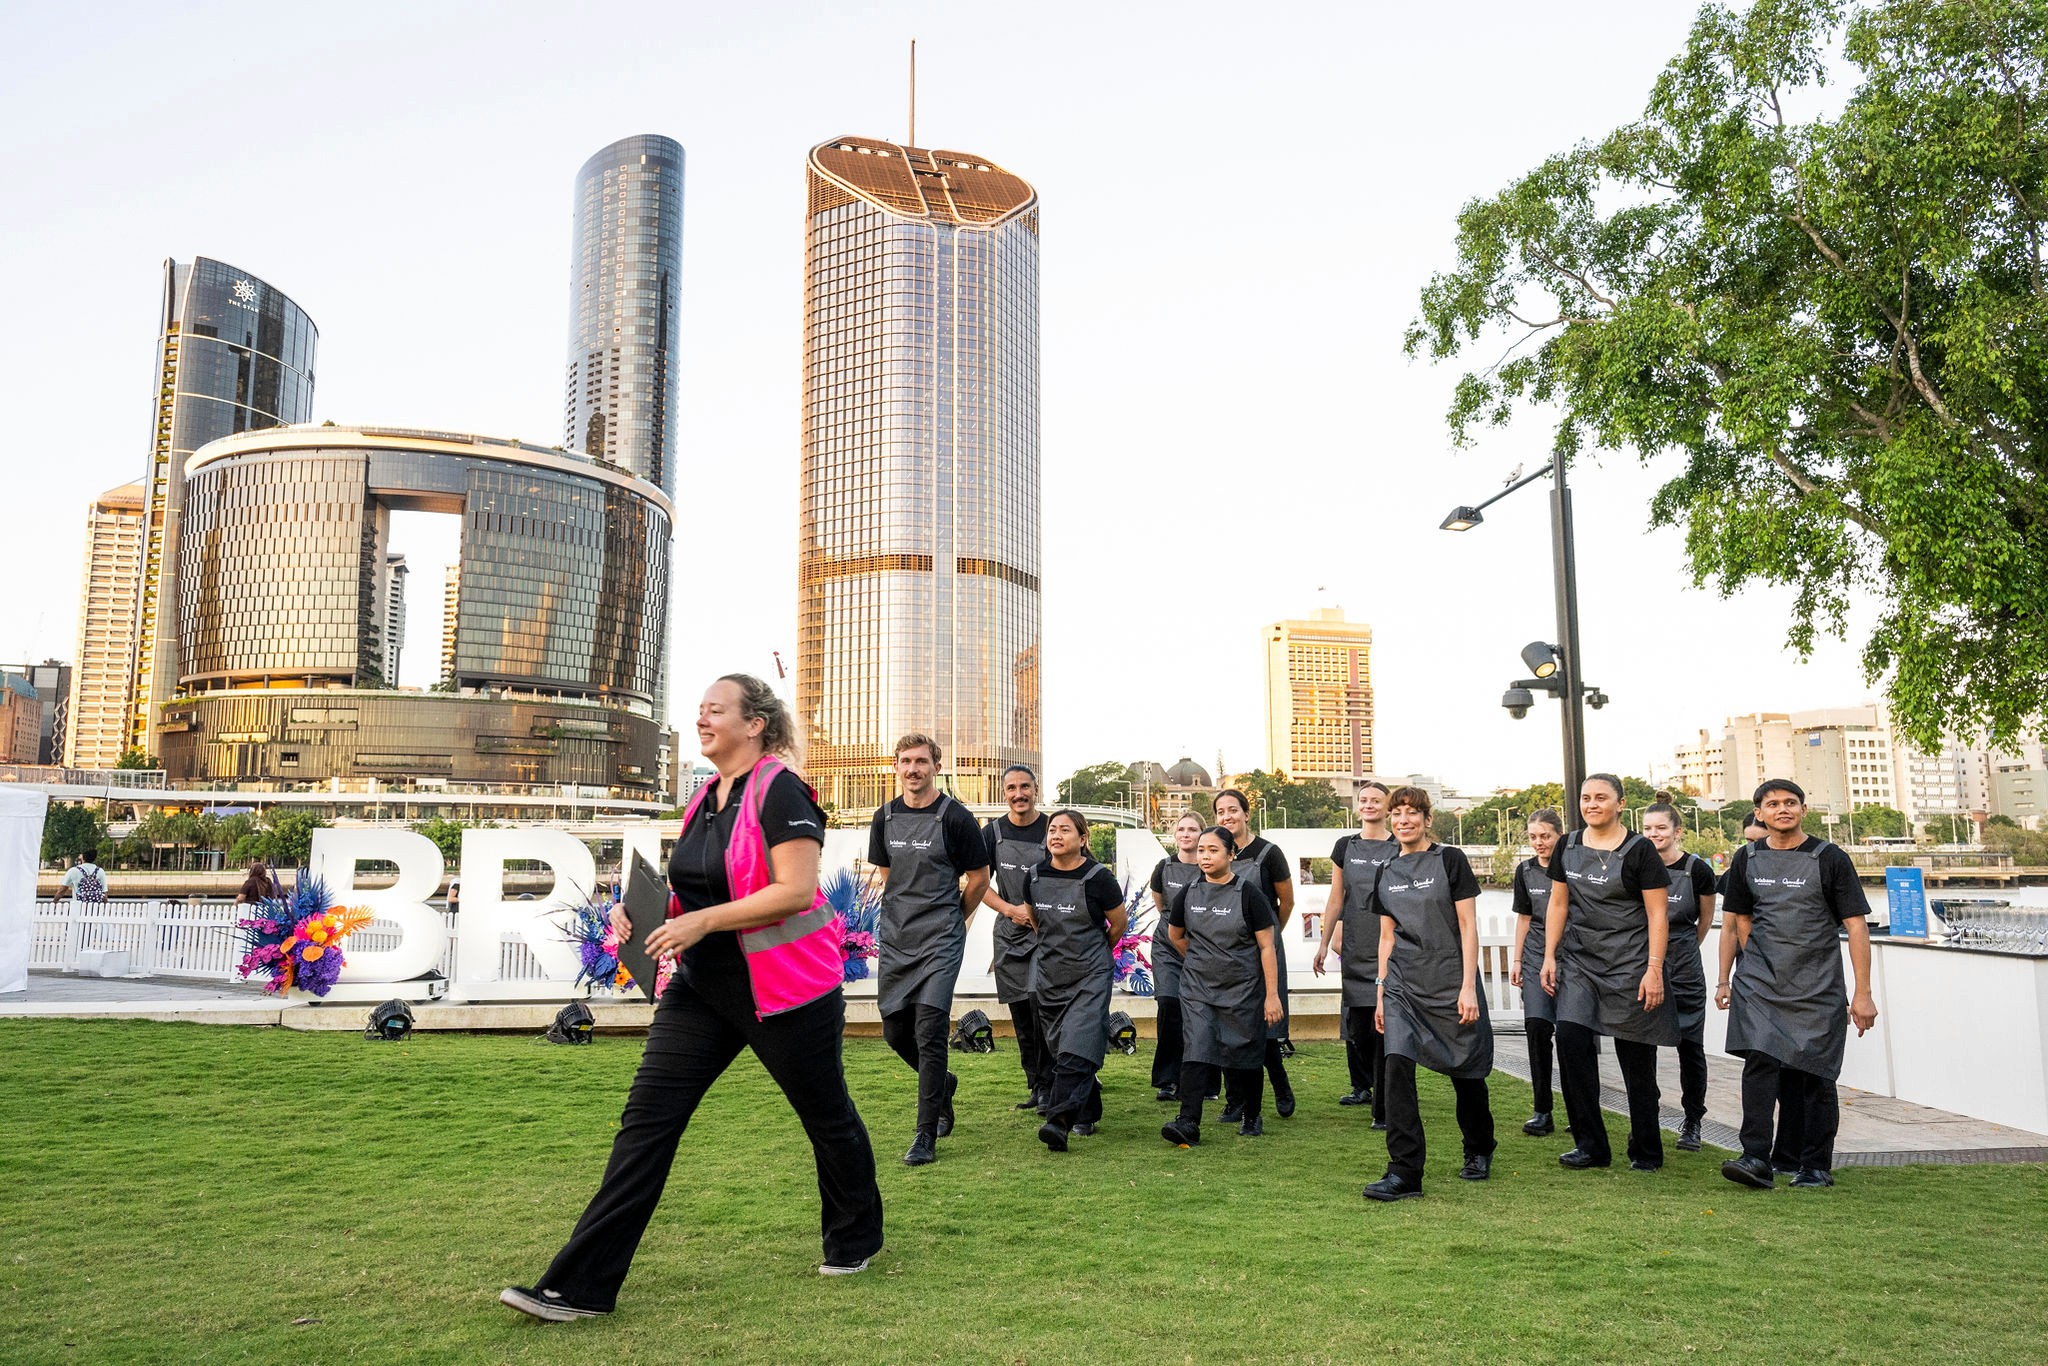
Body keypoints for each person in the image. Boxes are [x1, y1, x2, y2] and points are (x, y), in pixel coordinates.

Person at [500, 675, 882, 1322]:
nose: (701, 719)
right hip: (702, 989)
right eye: (700, 710)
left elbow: (793, 890)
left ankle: (856, 1236)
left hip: (788, 995)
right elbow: (700, 889)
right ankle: (581, 1286)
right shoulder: (706, 795)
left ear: (755, 723)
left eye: (715, 710)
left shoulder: (780, 789)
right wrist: (640, 913)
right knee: (646, 1126)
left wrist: (701, 923)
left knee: (828, 1117)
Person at [1718, 779, 1877, 1191]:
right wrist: (1743, 971)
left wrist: (1863, 993)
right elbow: (1739, 919)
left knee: (1815, 1075)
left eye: (1791, 803)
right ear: (1759, 813)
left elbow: (1856, 927)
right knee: (1759, 1064)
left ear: (1804, 810)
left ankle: (1815, 1166)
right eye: (1773, 804)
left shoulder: (1830, 858)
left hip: (1818, 985)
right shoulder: (1746, 858)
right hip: (1760, 985)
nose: (1782, 809)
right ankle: (1755, 1156)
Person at [1363, 785, 1495, 1201]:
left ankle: (1478, 1147)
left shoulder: (1449, 859)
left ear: (1426, 819)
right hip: (1403, 983)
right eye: (1396, 813)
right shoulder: (1385, 870)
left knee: (1466, 1071)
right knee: (1397, 1067)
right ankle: (1404, 1172)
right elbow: (1386, 938)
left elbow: (1469, 926)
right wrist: (1382, 992)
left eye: (1411, 813)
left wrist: (1469, 986)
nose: (1403, 820)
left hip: (1450, 981)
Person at [1541, 773, 1676, 1172]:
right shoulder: (1567, 844)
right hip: (1581, 961)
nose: (1592, 804)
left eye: (1601, 798)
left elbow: (1657, 913)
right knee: (1570, 1038)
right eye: (1585, 798)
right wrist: (1549, 956)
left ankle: (1647, 1149)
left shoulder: (1640, 851)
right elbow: (1558, 905)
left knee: (1636, 1057)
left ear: (1620, 804)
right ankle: (1591, 1146)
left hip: (1632, 963)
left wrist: (1653, 970)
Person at [868, 732, 991, 1167]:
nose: (913, 769)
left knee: (929, 1029)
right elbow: (888, 873)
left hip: (941, 936)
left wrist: (954, 917)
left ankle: (925, 1134)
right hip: (899, 937)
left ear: (936, 766)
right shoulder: (883, 818)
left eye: (921, 761)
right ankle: (943, 1082)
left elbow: (979, 877)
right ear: (896, 767)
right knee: (894, 1031)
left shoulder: (956, 817)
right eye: (905, 761)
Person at [1160, 826, 1283, 1144]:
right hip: (1198, 989)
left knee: (1245, 1054)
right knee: (1197, 1048)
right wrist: (1202, 962)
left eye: (1213, 850)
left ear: (1231, 855)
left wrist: (1271, 995)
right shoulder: (1188, 892)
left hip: (1242, 989)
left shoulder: (1248, 894)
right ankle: (1188, 1121)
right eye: (1201, 850)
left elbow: (1267, 946)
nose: (1205, 855)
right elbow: (1176, 936)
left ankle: (1252, 1113)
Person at [1025, 810, 1128, 1151]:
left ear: (1083, 839)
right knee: (1061, 1047)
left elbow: (1118, 924)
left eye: (1065, 830)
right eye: (1052, 829)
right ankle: (1089, 1107)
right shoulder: (1034, 876)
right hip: (1051, 973)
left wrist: (1097, 952)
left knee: (1078, 1041)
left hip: (1090, 973)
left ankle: (1059, 1121)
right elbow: (1037, 921)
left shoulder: (1099, 878)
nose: (1056, 835)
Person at [1314, 780, 1396, 1121]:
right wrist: (1324, 942)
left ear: (1388, 807)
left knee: (1384, 1028)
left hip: (1390, 946)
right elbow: (1337, 898)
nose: (1369, 804)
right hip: (1355, 947)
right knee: (1359, 1029)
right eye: (1364, 799)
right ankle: (1366, 1087)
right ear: (1357, 805)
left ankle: (1386, 1103)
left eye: (1376, 800)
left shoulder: (1398, 846)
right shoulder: (1344, 846)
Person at [1212, 789, 1295, 1119]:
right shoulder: (1216, 850)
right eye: (1220, 811)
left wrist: (1271, 936)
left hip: (1262, 950)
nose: (1227, 816)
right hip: (1228, 953)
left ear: (1247, 814)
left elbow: (1286, 903)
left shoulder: (1269, 853)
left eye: (1233, 810)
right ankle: (1236, 1102)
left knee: (1265, 1023)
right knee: (1227, 1028)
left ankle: (1280, 1082)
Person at [1641, 802, 1717, 1150]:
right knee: (1642, 1046)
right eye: (1648, 829)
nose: (1654, 835)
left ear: (1677, 831)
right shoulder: (1639, 865)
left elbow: (1704, 919)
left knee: (1691, 1048)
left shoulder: (1696, 870)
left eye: (1661, 828)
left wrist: (1686, 949)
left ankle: (1692, 1121)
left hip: (1685, 966)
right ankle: (1646, 1116)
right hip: (1644, 966)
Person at [980, 764, 1052, 1112]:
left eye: (1025, 787)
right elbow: (977, 884)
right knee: (1022, 1015)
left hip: (1048, 935)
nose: (1019, 794)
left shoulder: (1054, 828)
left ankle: (1053, 1084)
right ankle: (1036, 1086)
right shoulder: (991, 833)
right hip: (1010, 935)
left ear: (1036, 790)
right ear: (1004, 793)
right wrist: (1011, 910)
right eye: (1012, 788)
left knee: (1043, 1008)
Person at [1508, 809, 1564, 1137]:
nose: (1539, 843)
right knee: (1538, 1030)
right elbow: (1524, 919)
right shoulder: (1525, 871)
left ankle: (1580, 1105)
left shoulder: (1571, 869)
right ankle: (1542, 1109)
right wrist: (1516, 961)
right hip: (1533, 959)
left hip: (1569, 958)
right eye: (1533, 837)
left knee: (1573, 1037)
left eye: (1545, 836)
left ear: (1559, 835)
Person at [1147, 813, 1204, 1101]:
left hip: (1202, 947)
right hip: (1167, 946)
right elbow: (1162, 906)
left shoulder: (1209, 868)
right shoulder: (1163, 867)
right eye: (1181, 828)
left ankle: (1201, 1081)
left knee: (1199, 1013)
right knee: (1169, 1004)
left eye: (1192, 829)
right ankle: (1168, 1079)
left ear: (1202, 835)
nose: (1186, 834)